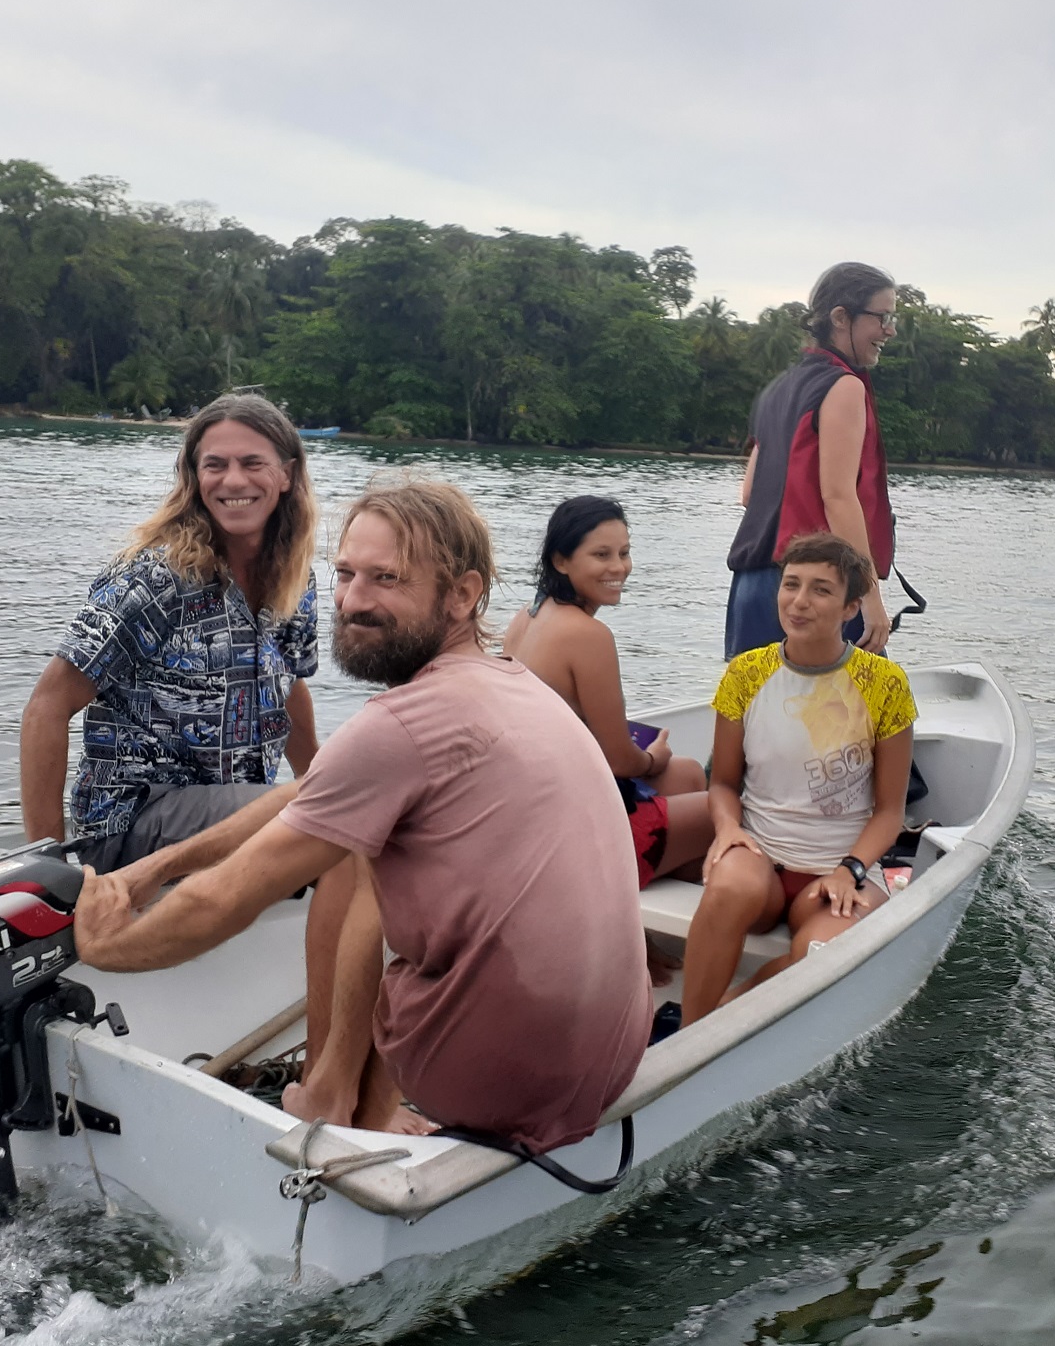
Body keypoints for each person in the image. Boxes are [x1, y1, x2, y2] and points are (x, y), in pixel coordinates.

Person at [74, 478, 652, 1153]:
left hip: (499, 1083)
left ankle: (337, 1095)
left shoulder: (398, 727)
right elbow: (317, 789)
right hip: (610, 1058)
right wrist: (149, 872)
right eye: (346, 574)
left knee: (361, 844)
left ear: (463, 595)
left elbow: (220, 905)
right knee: (363, 823)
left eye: (387, 579)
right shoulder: (511, 681)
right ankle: (341, 1087)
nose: (352, 600)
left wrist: (105, 946)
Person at [20, 393, 320, 873]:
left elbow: (289, 688)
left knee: (354, 804)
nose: (233, 480)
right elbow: (47, 705)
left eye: (252, 463)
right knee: (324, 818)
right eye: (215, 465)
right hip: (134, 822)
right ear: (195, 477)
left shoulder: (293, 580)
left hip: (239, 813)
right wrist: (44, 867)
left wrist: (317, 779)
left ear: (285, 474)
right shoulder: (156, 580)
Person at [680, 532, 917, 1027]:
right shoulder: (747, 673)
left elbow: (890, 811)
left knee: (819, 950)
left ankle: (732, 1006)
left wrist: (850, 868)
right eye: (791, 585)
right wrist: (727, 830)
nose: (800, 601)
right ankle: (687, 1035)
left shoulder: (884, 684)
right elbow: (722, 783)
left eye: (821, 590)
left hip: (842, 869)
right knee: (728, 887)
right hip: (762, 858)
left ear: (852, 606)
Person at [502, 496, 711, 887]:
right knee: (722, 809)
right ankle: (638, 923)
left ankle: (646, 927)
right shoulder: (588, 635)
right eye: (602, 554)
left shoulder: (524, 619)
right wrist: (652, 758)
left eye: (624, 553)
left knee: (687, 774)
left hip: (532, 810)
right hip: (573, 833)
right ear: (560, 561)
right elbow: (620, 762)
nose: (619, 567)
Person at [725, 262, 899, 660]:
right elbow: (837, 497)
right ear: (841, 317)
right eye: (882, 317)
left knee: (760, 713)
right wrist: (871, 599)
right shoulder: (844, 386)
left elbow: (750, 494)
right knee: (861, 716)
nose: (889, 330)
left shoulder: (778, 389)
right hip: (816, 588)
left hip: (754, 587)